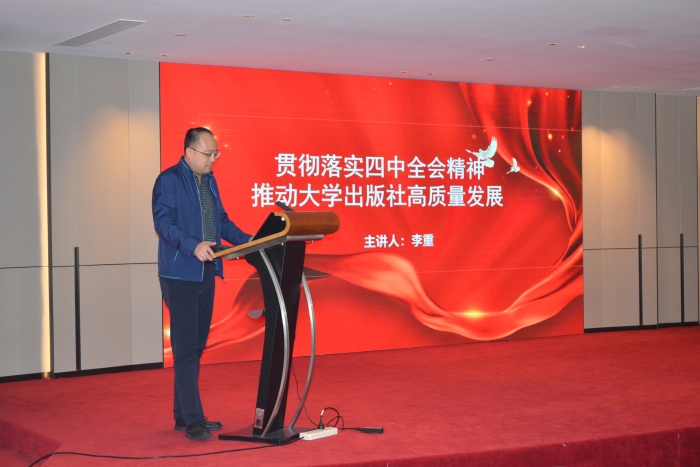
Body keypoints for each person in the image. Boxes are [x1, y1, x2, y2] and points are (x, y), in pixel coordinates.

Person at [152, 127, 250, 440]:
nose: (213, 159)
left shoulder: (209, 181)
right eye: (208, 154)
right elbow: (163, 223)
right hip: (180, 273)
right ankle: (194, 419)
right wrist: (192, 245)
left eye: (215, 154)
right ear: (190, 152)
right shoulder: (168, 181)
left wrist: (252, 241)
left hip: (206, 270)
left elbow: (221, 222)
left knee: (195, 345)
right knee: (185, 346)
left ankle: (183, 415)